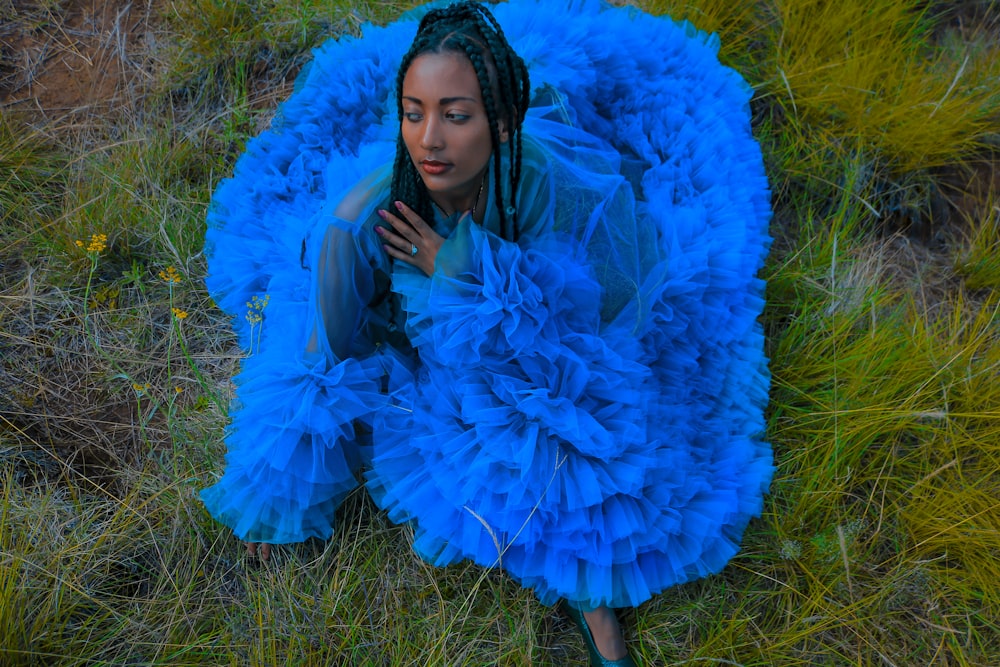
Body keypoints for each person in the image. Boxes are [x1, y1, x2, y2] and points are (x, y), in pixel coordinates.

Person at [201, 1, 773, 665]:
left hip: (536, 338)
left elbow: (601, 318)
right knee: (502, 427)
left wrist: (465, 271)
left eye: (455, 115)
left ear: (500, 127)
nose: (429, 141)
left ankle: (590, 588)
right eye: (414, 113)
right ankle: (579, 571)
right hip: (415, 348)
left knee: (581, 433)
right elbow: (324, 351)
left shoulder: (548, 182)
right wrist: (275, 490)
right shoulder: (359, 221)